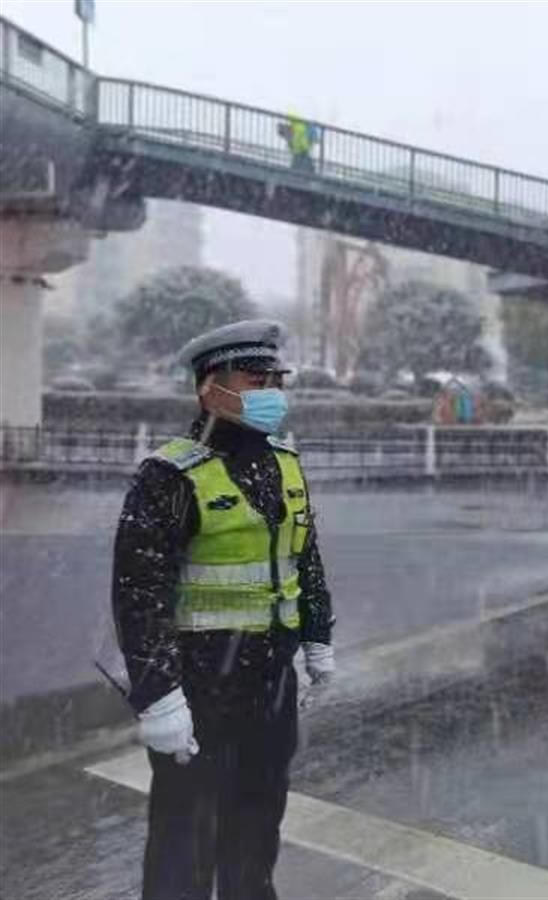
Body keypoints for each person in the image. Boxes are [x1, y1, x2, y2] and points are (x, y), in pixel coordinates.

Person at [111, 320, 335, 900]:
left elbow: (303, 555)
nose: (271, 391)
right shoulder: (168, 476)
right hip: (201, 686)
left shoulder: (285, 460)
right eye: (255, 378)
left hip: (271, 683)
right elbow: (140, 594)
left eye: (276, 379)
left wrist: (318, 638)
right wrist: (159, 695)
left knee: (257, 829)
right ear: (210, 388)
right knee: (186, 840)